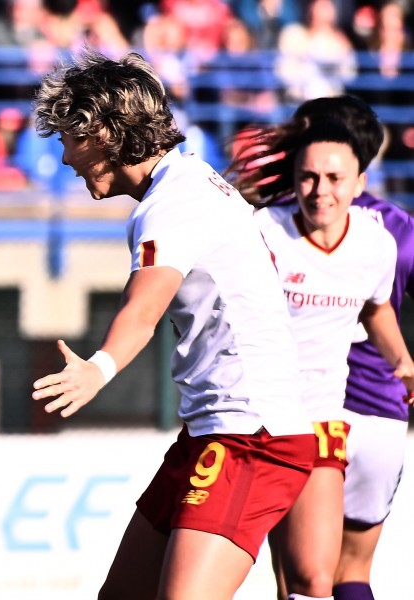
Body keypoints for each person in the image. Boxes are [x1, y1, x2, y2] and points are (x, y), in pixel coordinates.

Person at [30, 48, 316, 599]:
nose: (64, 155)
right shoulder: (186, 182)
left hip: (252, 436)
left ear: (107, 133)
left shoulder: (172, 202)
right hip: (212, 434)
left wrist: (99, 368)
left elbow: (144, 307)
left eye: (69, 135)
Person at [226, 101, 414, 600]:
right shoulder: (263, 232)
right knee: (276, 578)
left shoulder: (376, 244)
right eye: (308, 177)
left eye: (334, 178)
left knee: (312, 577)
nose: (320, 191)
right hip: (255, 423)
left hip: (321, 422)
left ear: (359, 183)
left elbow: (376, 309)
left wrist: (403, 361)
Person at [291, 97, 414, 600]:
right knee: (354, 570)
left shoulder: (286, 219)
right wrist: (405, 364)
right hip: (384, 410)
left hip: (315, 410)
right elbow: (381, 310)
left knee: (299, 577)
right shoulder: (401, 229)